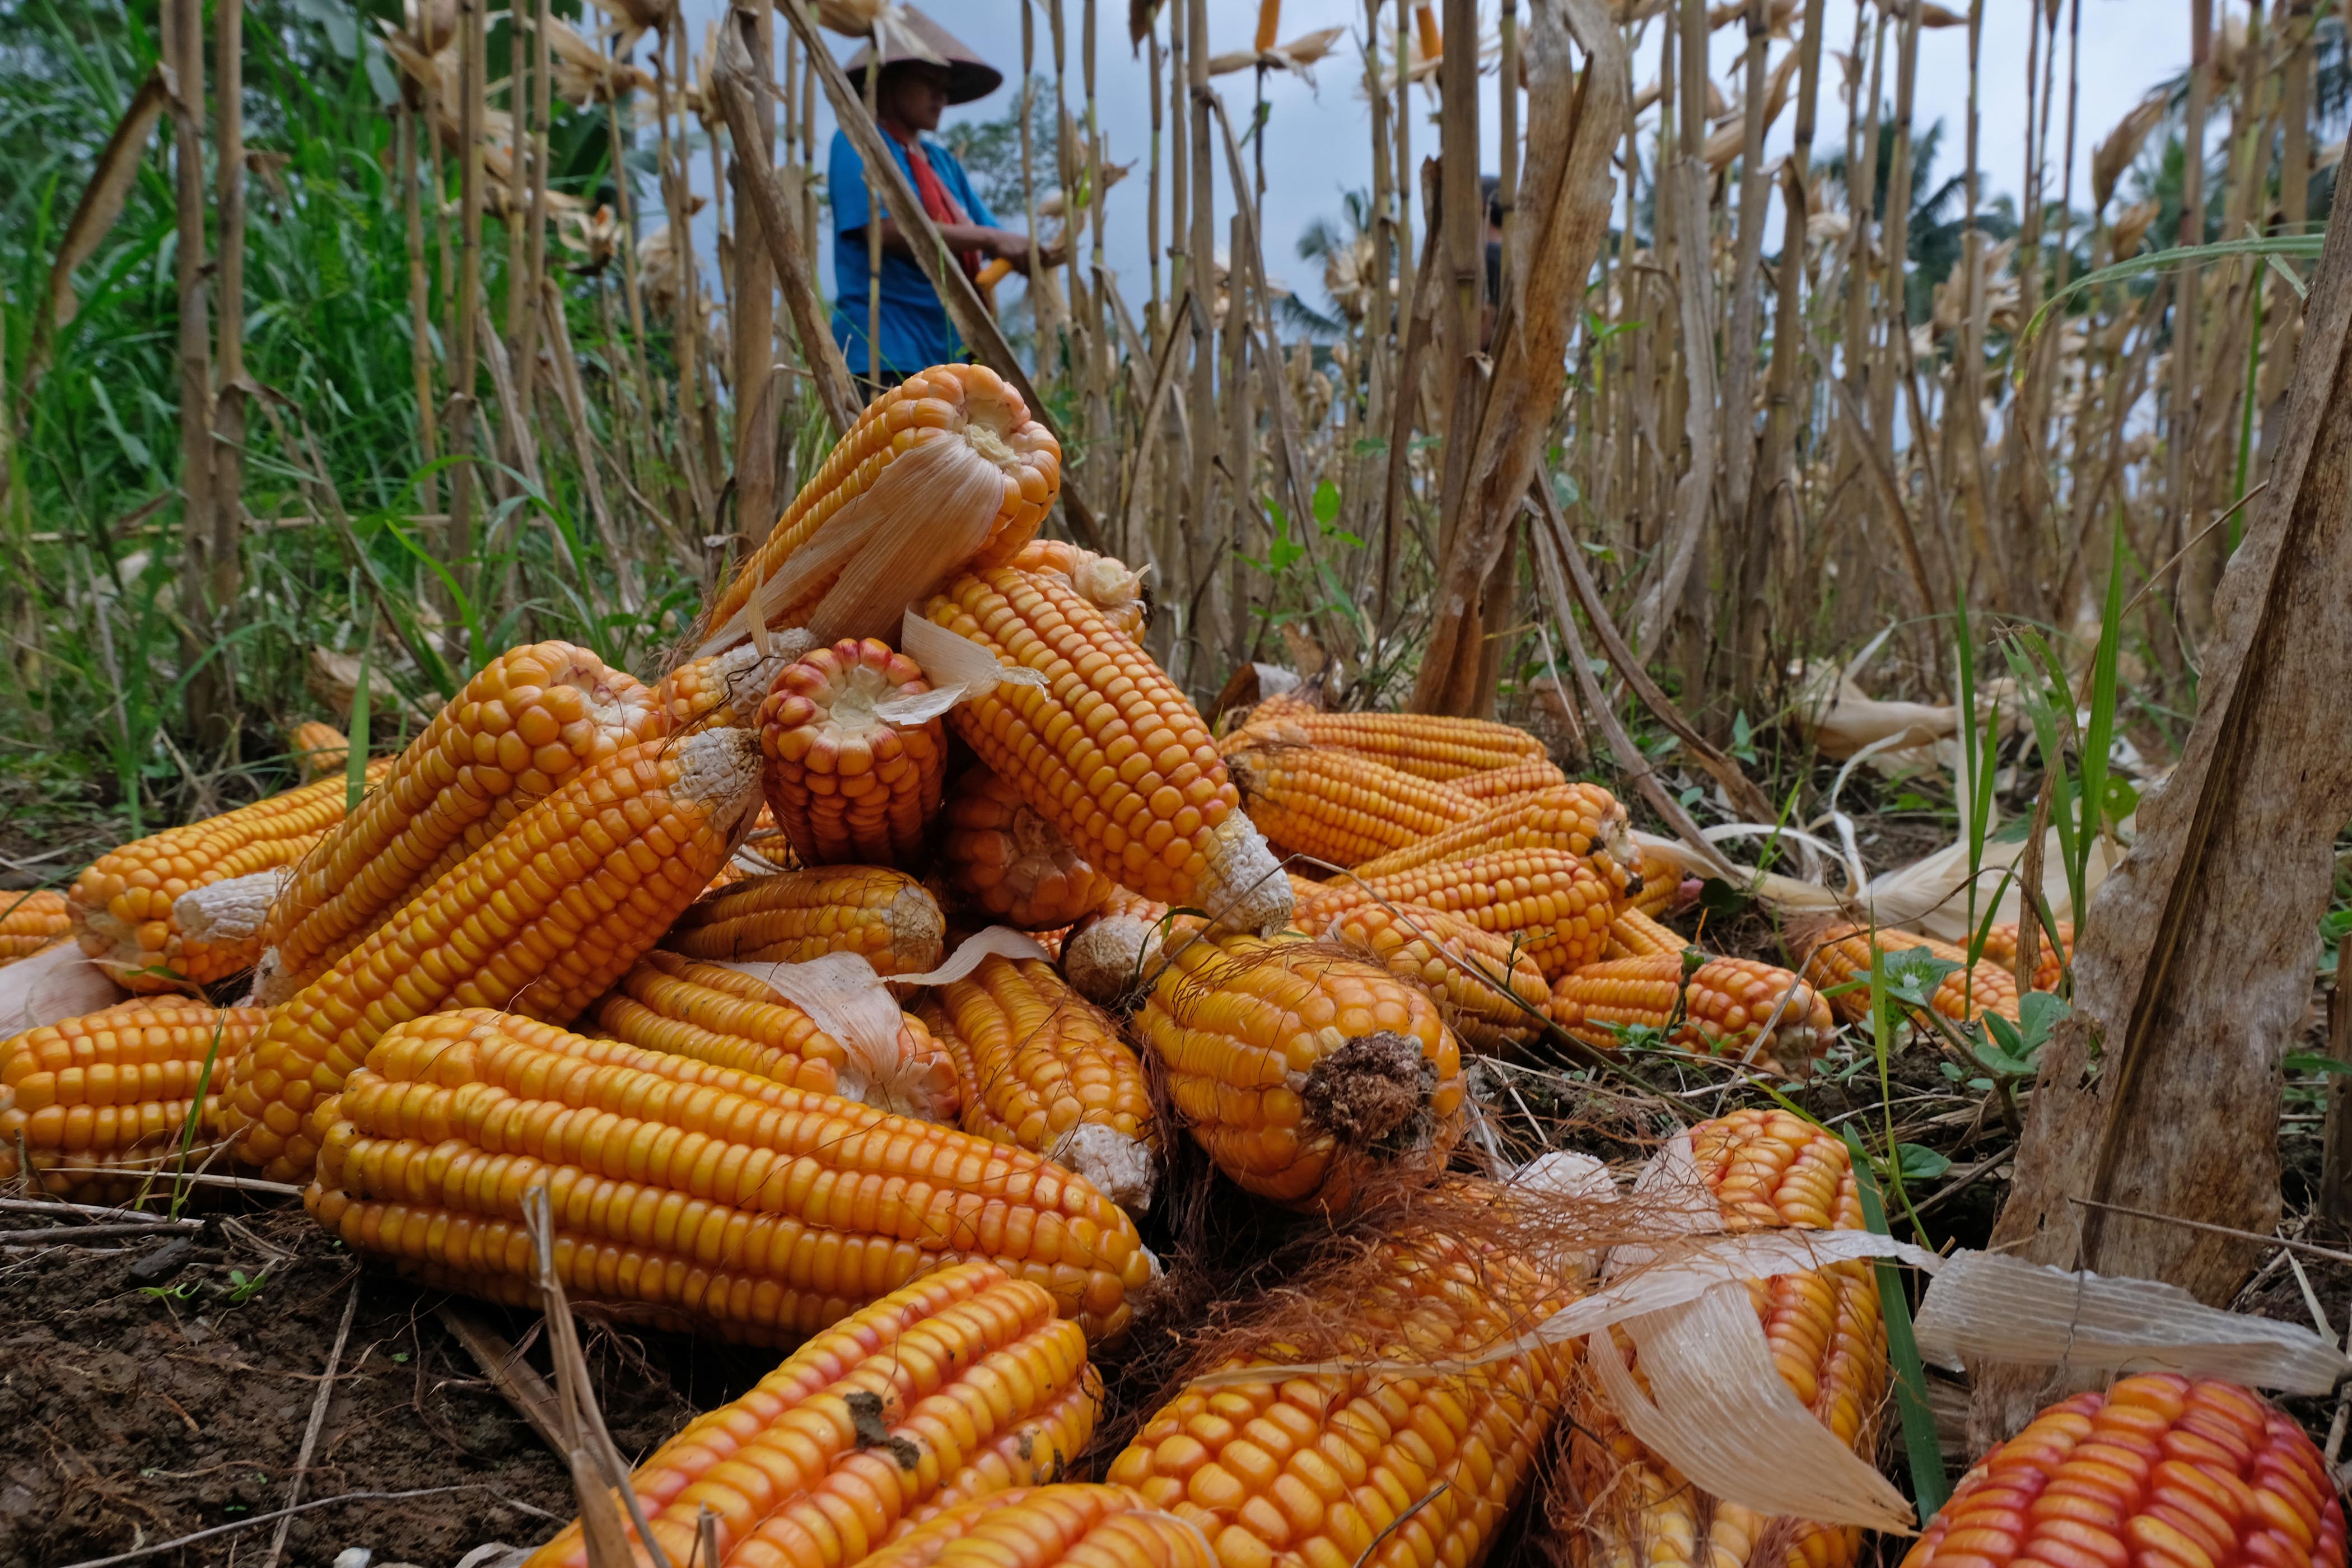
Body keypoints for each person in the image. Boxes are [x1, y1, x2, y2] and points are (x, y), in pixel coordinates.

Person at [830, 12, 1063, 390]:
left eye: (946, 87)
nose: (942, 98)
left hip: (953, 354)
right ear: (890, 77)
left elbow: (989, 232)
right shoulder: (858, 143)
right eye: (930, 83)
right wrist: (990, 240)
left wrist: (1030, 249)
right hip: (887, 351)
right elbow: (880, 230)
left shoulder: (942, 164)